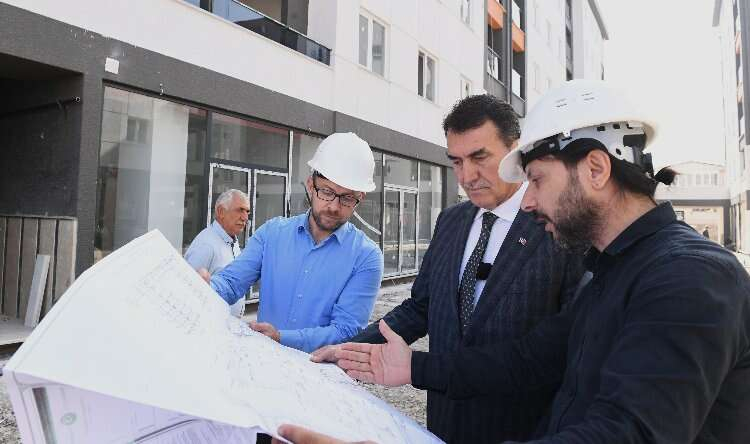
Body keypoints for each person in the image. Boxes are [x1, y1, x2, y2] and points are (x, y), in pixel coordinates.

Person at [334, 80, 750, 443]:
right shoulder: (615, 269)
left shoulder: (690, 278)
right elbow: (526, 360)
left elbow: (627, 433)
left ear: (596, 169)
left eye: (536, 179)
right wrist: (413, 367)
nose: (528, 200)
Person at [313, 95, 584, 443]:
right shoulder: (452, 220)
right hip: (443, 426)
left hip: (522, 430)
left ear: (516, 152)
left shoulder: (559, 227)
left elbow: (563, 352)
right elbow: (422, 306)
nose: (466, 176)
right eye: (456, 161)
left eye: (479, 158)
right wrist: (350, 350)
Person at [207, 132, 383, 353]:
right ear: (310, 185)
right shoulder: (272, 234)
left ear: (360, 198)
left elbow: (346, 330)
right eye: (326, 192)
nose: (334, 206)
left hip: (320, 372)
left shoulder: (366, 257)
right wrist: (204, 286)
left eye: (347, 198)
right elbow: (231, 284)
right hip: (264, 362)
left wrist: (281, 338)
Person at [185, 189, 249, 317]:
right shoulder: (206, 245)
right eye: (240, 210)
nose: (245, 218)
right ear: (221, 212)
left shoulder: (231, 240)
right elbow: (188, 291)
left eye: (247, 212)